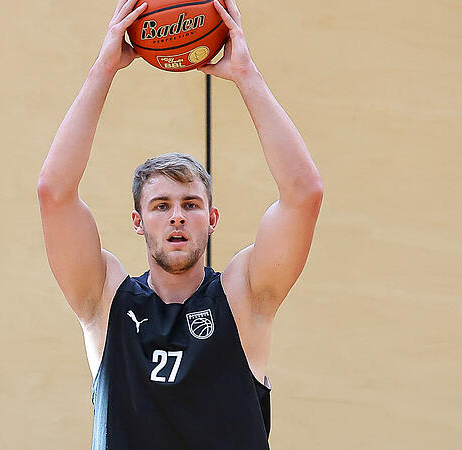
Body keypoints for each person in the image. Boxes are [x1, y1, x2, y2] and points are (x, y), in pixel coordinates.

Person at [37, 0, 323, 448]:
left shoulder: (243, 297)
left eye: (191, 204)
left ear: (212, 219)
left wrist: (246, 75)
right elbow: (54, 194)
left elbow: (304, 194)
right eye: (160, 205)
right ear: (137, 221)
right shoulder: (104, 299)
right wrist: (103, 69)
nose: (176, 215)